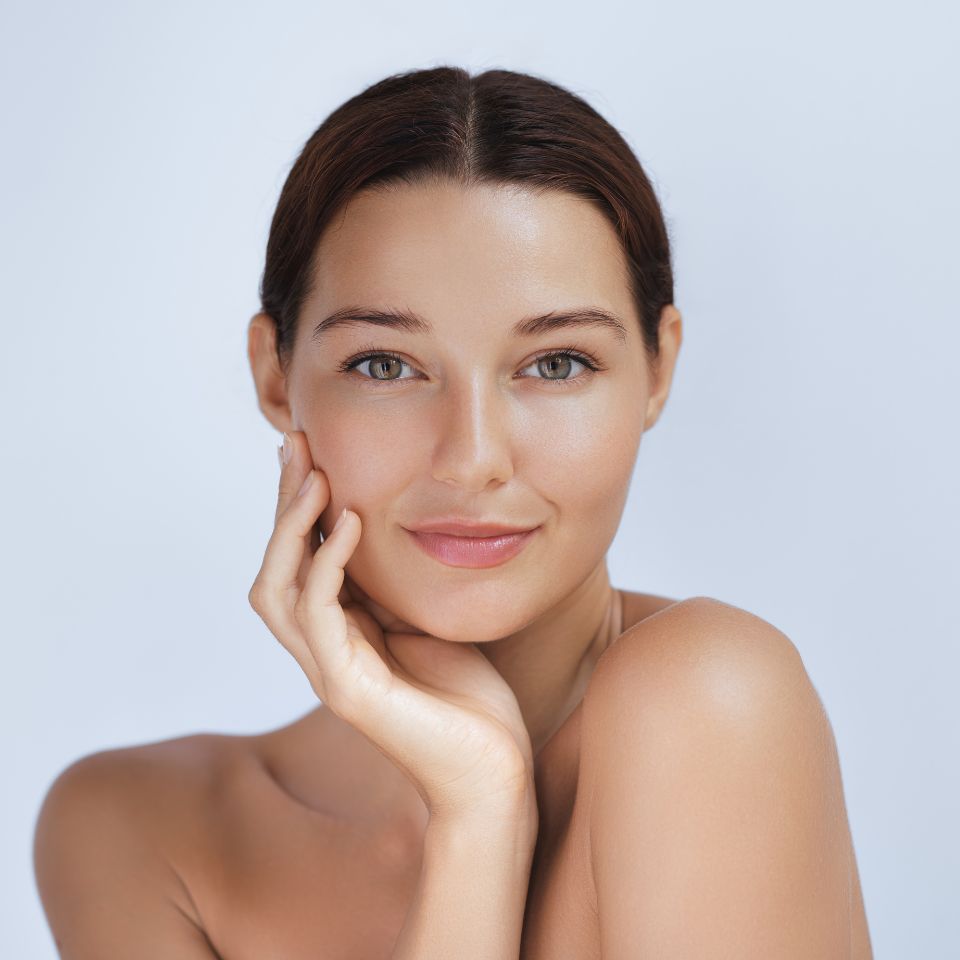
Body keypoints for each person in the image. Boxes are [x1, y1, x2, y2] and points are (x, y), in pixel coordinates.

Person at [33, 65, 872, 958]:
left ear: (657, 370)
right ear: (276, 376)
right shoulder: (139, 832)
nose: (473, 458)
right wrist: (476, 816)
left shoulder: (709, 702)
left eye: (556, 365)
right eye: (386, 365)